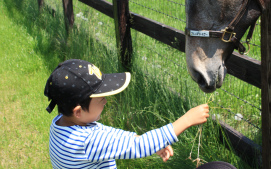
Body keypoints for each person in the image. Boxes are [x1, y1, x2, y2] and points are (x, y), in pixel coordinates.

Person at [44, 59, 209, 168]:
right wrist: (187, 120)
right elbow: (137, 147)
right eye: (101, 99)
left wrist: (151, 144)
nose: (106, 101)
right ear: (78, 111)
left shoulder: (61, 123)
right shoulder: (87, 142)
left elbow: (109, 135)